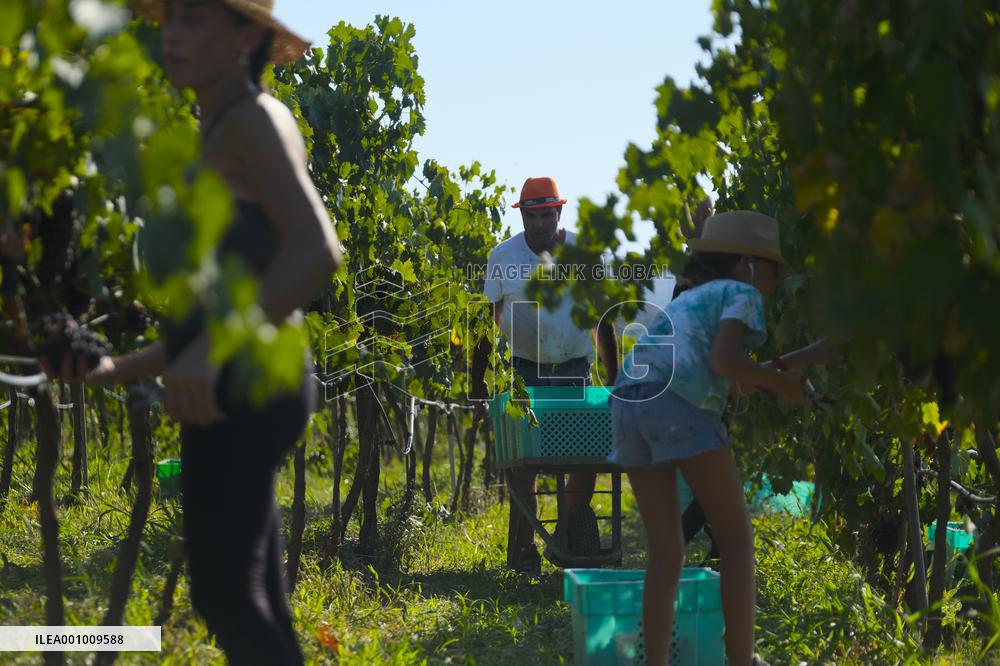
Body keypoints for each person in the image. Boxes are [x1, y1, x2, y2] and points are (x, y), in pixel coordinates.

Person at [42, 1, 342, 663]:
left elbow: (319, 251)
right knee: (253, 592)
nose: (174, 34)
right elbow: (221, 313)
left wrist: (209, 353)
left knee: (223, 594)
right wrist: (117, 369)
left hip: (242, 388)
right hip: (245, 382)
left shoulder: (248, 123)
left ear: (248, 37)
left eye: (198, 19)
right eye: (172, 17)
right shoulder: (234, 122)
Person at [609, 211, 836, 666]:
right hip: (676, 404)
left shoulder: (695, 299)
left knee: (667, 550)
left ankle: (655, 662)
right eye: (772, 270)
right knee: (735, 541)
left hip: (628, 400)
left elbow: (734, 378)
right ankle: (741, 660)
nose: (772, 284)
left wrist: (797, 364)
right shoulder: (744, 292)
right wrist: (781, 384)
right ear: (748, 264)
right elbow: (724, 362)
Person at [471, 176, 618, 575]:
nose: (538, 225)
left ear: (559, 212)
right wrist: (477, 379)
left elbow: (602, 321)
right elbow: (488, 321)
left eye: (546, 215)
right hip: (526, 374)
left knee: (584, 461)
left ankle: (565, 534)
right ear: (522, 216)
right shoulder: (503, 257)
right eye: (531, 217)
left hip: (575, 372)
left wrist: (616, 378)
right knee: (526, 465)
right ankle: (525, 549)